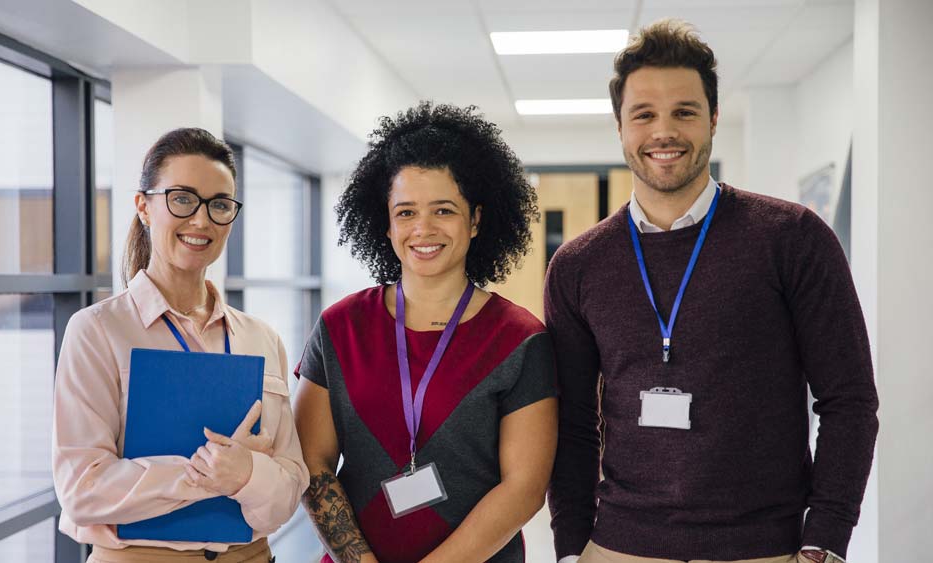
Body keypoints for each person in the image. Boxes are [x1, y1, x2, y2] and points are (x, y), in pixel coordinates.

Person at [545, 19, 878, 563]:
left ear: (714, 118)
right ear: (620, 126)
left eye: (685, 111)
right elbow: (574, 422)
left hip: (763, 547)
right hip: (620, 547)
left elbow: (849, 400)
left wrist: (824, 542)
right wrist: (568, 550)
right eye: (644, 114)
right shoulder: (578, 265)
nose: (664, 132)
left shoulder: (791, 238)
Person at [292, 102, 557, 563]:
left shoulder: (520, 340)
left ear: (475, 220)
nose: (423, 229)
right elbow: (313, 466)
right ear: (387, 222)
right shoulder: (340, 328)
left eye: (443, 210)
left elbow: (524, 488)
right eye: (407, 212)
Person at [52, 128, 308, 562]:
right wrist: (211, 475)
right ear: (144, 207)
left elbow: (289, 490)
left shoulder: (260, 338)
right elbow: (82, 490)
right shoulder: (97, 331)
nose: (202, 220)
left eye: (220, 205)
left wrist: (249, 474)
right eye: (182, 199)